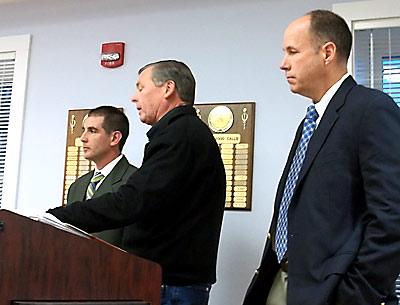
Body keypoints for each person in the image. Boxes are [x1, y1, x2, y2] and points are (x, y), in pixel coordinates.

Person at [243, 9, 400, 305]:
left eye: (292, 51)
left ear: (327, 52)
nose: (283, 63)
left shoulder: (371, 109)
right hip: (283, 280)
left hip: (331, 292)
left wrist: (353, 294)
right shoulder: (311, 121)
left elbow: (392, 217)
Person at [48, 60, 226, 305]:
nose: (133, 97)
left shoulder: (180, 135)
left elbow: (132, 201)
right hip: (166, 281)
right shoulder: (181, 132)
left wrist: (56, 217)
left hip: (171, 285)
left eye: (141, 88)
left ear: (168, 89)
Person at [66, 105, 137, 248]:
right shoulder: (77, 186)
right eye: (83, 130)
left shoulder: (135, 181)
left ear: (115, 138)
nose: (83, 138)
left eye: (92, 131)